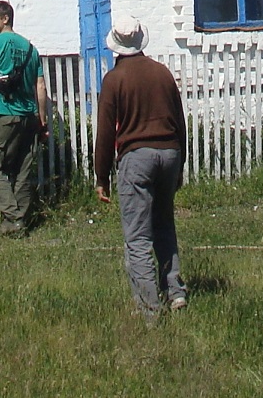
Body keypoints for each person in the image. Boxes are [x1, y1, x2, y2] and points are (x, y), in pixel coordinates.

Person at [94, 17, 188, 316]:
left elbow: (106, 131)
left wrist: (101, 175)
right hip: (169, 152)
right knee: (164, 224)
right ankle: (174, 291)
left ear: (116, 46)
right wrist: (180, 164)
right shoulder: (162, 73)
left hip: (137, 157)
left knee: (137, 236)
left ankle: (149, 306)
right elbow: (179, 121)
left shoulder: (115, 79)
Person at [0, 0, 48, 236]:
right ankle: (19, 223)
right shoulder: (31, 49)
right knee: (23, 171)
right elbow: (40, 86)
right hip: (29, 116)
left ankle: (13, 220)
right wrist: (41, 121)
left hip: (4, 114)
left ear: (5, 19)